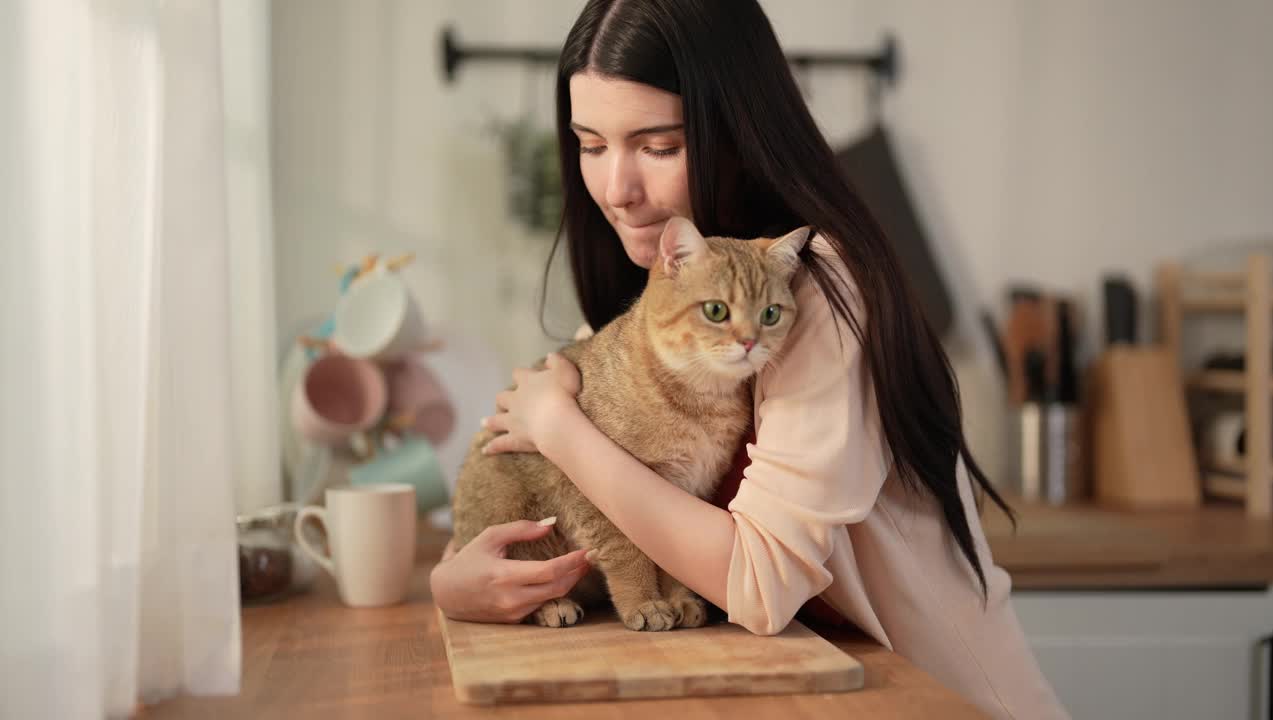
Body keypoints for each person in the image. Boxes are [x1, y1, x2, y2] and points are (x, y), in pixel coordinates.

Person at [430, 2, 1068, 717]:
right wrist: (453, 582)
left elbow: (761, 585)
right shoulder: (661, 289)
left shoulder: (817, 288)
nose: (617, 189)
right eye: (591, 144)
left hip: (943, 700)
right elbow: (544, 485)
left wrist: (560, 429)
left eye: (659, 146)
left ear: (735, 132)